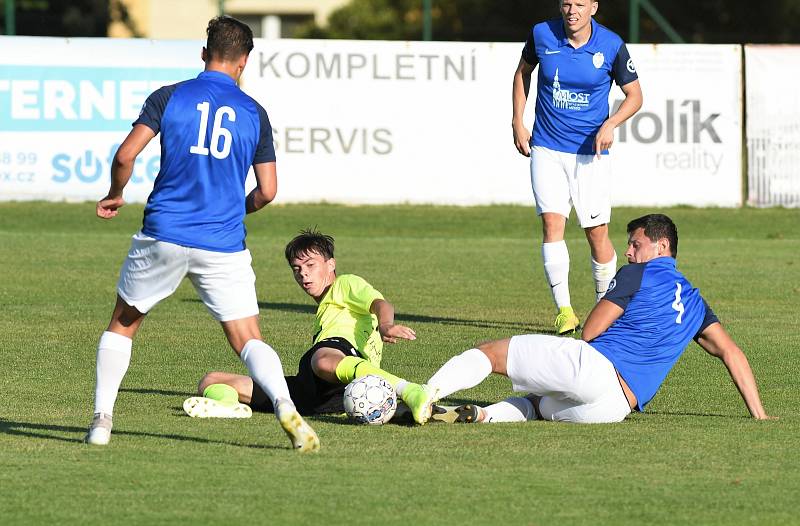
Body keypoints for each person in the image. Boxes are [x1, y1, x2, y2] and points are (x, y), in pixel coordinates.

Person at [85, 16, 320, 453]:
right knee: (248, 338)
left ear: (203, 53)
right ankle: (286, 407)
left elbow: (125, 155)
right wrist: (237, 208)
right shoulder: (254, 113)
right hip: (223, 242)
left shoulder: (170, 97)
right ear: (244, 61)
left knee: (123, 323)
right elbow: (268, 191)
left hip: (164, 233)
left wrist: (116, 193)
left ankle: (101, 422)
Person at [424, 214, 773, 424]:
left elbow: (590, 332)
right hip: (614, 407)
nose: (628, 251)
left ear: (660, 246)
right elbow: (732, 353)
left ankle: (420, 396)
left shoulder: (638, 275)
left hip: (595, 369)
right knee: (537, 405)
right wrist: (759, 414)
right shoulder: (696, 303)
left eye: (635, 244)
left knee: (489, 352)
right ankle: (482, 416)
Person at [184, 229, 437, 425]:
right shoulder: (323, 309)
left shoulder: (345, 284)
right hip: (315, 392)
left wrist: (386, 325)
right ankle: (228, 407)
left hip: (343, 373)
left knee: (323, 359)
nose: (303, 274)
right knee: (212, 380)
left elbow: (380, 303)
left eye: (310, 265)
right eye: (297, 269)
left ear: (331, 264)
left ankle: (410, 391)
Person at [512, 0, 643, 334]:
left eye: (580, 4)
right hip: (546, 147)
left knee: (596, 233)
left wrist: (612, 123)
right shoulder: (542, 34)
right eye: (567, 3)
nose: (572, 10)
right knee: (551, 225)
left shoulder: (611, 45)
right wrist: (517, 120)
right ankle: (565, 311)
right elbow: (522, 73)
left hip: (590, 154)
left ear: (593, 8)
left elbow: (635, 96)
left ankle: (605, 310)